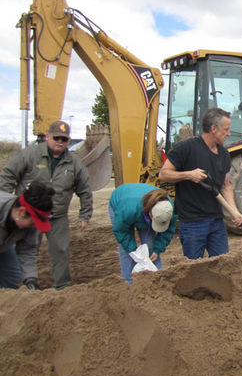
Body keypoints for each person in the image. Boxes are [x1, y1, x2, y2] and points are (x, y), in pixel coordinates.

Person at [0, 121, 92, 290]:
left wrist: (85, 214)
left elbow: (85, 189)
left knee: (60, 251)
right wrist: (8, 200)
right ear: (47, 137)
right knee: (27, 250)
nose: (60, 141)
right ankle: (22, 288)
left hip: (57, 216)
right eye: (56, 137)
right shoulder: (30, 155)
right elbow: (8, 174)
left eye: (64, 139)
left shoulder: (74, 162)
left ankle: (61, 287)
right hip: (27, 214)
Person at [159, 108, 242, 259]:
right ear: (213, 129)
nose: (229, 133)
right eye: (226, 129)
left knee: (222, 264)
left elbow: (225, 186)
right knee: (194, 268)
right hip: (193, 223)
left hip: (216, 221)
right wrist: (188, 175)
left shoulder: (224, 154)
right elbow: (163, 174)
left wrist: (234, 211)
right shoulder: (187, 148)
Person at [108, 183, 177, 283]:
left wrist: (157, 249)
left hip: (139, 208)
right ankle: (128, 282)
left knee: (151, 246)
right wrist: (133, 251)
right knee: (126, 250)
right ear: (150, 213)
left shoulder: (169, 210)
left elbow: (167, 231)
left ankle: (157, 279)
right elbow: (121, 231)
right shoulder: (128, 209)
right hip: (121, 203)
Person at [0, 182, 55, 289]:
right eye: (34, 222)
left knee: (13, 279)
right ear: (21, 212)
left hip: (4, 245)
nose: (35, 226)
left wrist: (30, 279)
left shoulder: (29, 225)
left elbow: (27, 249)